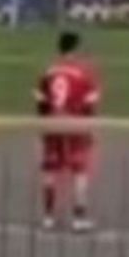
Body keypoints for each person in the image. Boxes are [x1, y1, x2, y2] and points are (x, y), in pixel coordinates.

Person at [36, 31, 101, 232]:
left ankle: (48, 217)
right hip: (75, 124)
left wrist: (45, 123)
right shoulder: (83, 72)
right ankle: (78, 218)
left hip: (52, 123)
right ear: (75, 48)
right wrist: (88, 126)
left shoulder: (49, 71)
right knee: (79, 170)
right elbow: (90, 103)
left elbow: (40, 101)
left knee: (50, 169)